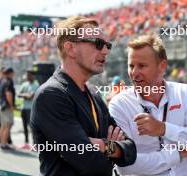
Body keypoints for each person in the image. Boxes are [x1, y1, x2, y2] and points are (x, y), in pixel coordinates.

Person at [30, 16, 136, 176]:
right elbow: (92, 164)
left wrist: (103, 146)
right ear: (70, 48)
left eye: (107, 45)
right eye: (98, 44)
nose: (106, 51)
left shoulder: (93, 94)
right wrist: (113, 149)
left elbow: (131, 151)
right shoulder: (51, 95)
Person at [109, 34, 187, 176]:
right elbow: (126, 166)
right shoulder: (119, 104)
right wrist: (177, 153)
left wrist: (163, 129)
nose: (134, 73)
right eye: (131, 66)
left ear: (162, 66)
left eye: (142, 66)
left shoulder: (184, 93)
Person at [18, 69, 39, 148]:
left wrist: (25, 95)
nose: (27, 76)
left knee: (32, 127)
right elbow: (19, 94)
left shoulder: (36, 85)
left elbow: (31, 97)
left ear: (33, 76)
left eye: (28, 75)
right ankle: (26, 142)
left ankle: (35, 144)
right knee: (24, 126)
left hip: (31, 109)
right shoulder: (24, 84)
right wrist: (26, 95)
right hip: (23, 108)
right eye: (26, 75)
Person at [0, 67, 15, 150]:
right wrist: (12, 105)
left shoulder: (2, 81)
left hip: (2, 106)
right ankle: (4, 144)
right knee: (7, 125)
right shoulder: (9, 81)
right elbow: (8, 94)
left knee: (3, 126)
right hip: (7, 106)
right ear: (11, 73)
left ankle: (2, 143)